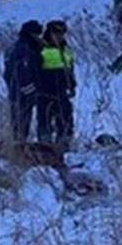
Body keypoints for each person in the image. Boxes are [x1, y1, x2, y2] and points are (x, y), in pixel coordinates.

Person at [36, 19, 76, 148]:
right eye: (56, 33)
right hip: (45, 89)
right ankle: (45, 145)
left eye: (62, 34)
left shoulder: (66, 49)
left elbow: (70, 67)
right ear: (49, 33)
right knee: (45, 119)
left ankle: (64, 144)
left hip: (62, 89)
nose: (60, 36)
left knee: (66, 117)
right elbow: (34, 70)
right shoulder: (40, 48)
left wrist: (72, 84)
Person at [2, 20, 43, 142]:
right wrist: (30, 90)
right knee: (21, 124)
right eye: (37, 34)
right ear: (30, 34)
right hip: (22, 93)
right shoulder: (23, 49)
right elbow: (20, 73)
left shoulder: (14, 47)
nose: (38, 37)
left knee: (19, 123)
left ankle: (19, 146)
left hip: (16, 91)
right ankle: (19, 149)